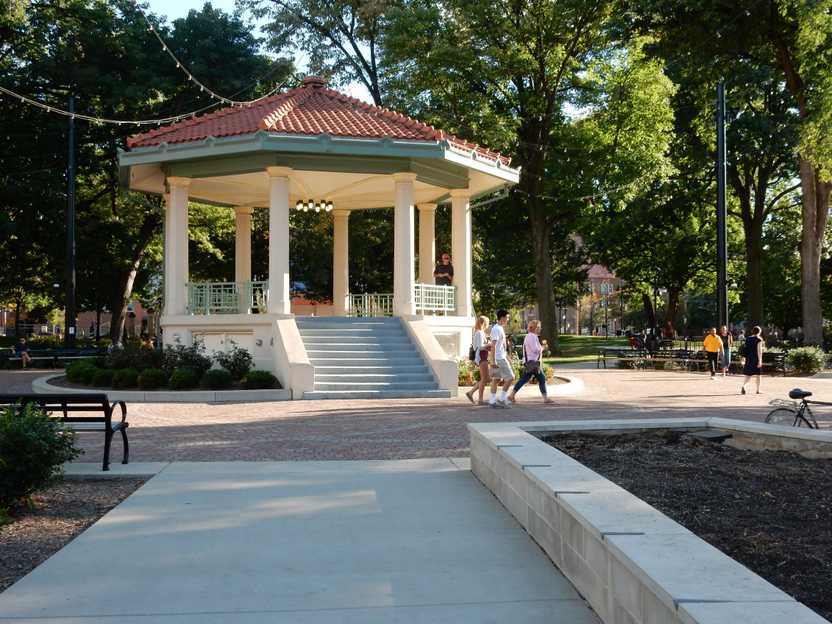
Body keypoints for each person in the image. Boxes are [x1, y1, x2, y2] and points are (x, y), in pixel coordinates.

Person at [508, 320, 553, 404]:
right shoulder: (531, 336)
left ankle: (511, 395)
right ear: (535, 328)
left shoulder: (531, 336)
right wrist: (543, 348)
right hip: (532, 363)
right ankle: (545, 398)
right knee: (541, 378)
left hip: (531, 362)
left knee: (524, 379)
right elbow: (535, 350)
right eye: (539, 327)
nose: (540, 329)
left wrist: (542, 348)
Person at [488, 309, 514, 408]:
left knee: (497, 379)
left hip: (500, 357)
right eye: (507, 318)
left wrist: (507, 357)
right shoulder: (496, 329)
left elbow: (500, 346)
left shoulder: (499, 328)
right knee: (511, 377)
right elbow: (493, 346)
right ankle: (502, 399)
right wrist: (493, 360)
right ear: (502, 318)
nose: (508, 320)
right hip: (499, 358)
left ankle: (492, 400)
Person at [465, 316, 491, 405]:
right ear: (483, 323)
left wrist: (487, 346)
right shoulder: (479, 333)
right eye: (487, 323)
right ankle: (480, 399)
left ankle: (471, 393)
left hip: (483, 356)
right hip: (481, 357)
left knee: (486, 378)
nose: (488, 325)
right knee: (485, 379)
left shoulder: (479, 332)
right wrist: (489, 345)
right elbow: (480, 347)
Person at [740, 326, 765, 395]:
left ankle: (744, 386)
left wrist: (743, 358)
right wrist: (760, 360)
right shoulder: (759, 339)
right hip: (756, 358)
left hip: (749, 358)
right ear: (759, 332)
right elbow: (759, 351)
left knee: (748, 374)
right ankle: (758, 390)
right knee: (758, 375)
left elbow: (745, 349)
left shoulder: (748, 338)